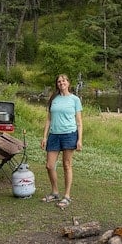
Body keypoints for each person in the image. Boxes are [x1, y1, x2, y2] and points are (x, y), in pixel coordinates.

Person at [41, 73, 82, 208]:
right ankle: (55, 192)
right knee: (49, 165)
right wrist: (45, 137)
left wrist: (79, 139)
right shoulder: (54, 98)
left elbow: (79, 122)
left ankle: (67, 196)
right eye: (59, 81)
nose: (61, 83)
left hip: (69, 134)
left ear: (68, 83)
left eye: (63, 81)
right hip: (54, 135)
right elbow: (48, 119)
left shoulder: (75, 99)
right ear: (57, 84)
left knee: (66, 165)